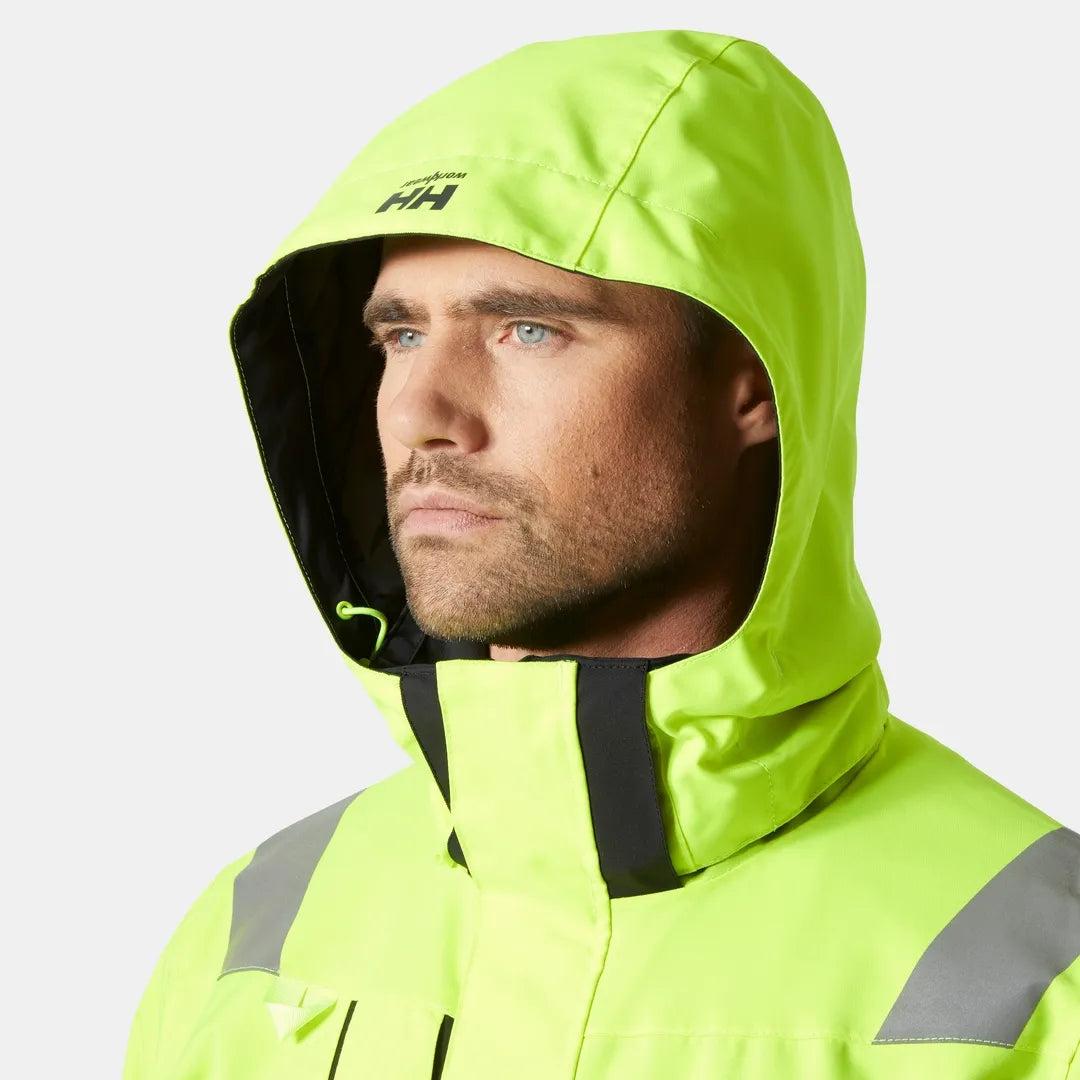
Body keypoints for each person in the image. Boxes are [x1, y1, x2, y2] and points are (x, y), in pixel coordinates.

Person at [123, 28, 1080, 1080]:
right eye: (400, 336)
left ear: (755, 379)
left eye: (527, 330)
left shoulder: (1036, 983)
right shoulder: (252, 940)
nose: (421, 415)